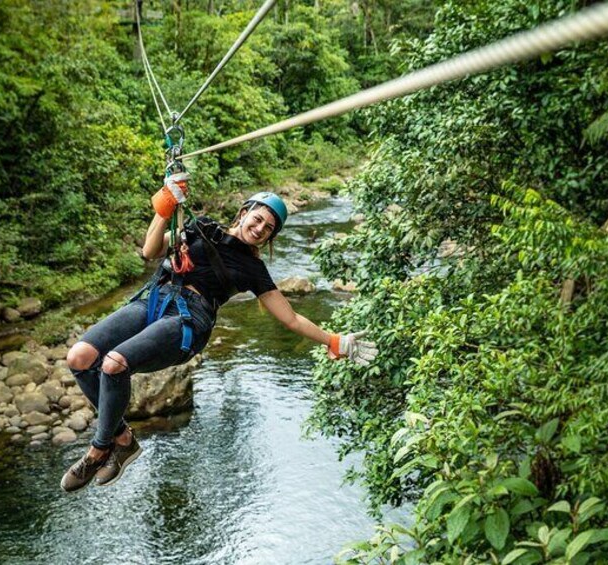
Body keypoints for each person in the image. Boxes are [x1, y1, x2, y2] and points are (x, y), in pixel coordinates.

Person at [61, 174, 377, 492]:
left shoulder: (254, 270)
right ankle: (124, 440)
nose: (259, 229)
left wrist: (335, 341)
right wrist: (163, 209)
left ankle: (99, 449)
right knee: (80, 356)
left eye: (268, 229)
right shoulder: (203, 228)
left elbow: (291, 318)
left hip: (190, 322)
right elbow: (150, 250)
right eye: (258, 220)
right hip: (156, 299)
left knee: (114, 364)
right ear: (243, 213)